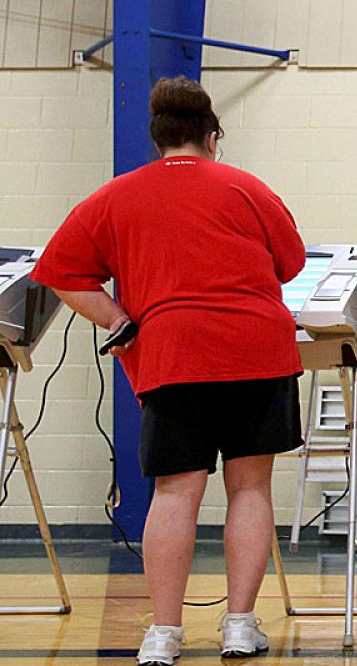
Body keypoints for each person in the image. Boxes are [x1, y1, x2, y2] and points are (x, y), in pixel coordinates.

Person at [31, 78, 305, 666]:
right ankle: (239, 626)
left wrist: (116, 318)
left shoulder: (116, 196)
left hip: (173, 353)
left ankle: (163, 633)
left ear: (157, 139)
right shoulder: (249, 188)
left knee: (175, 492)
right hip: (258, 350)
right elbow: (291, 263)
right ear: (212, 136)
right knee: (250, 487)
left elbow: (58, 272)